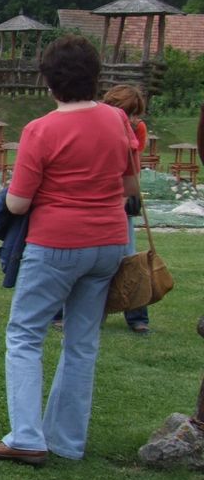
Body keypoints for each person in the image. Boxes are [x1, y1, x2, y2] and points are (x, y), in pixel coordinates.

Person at [0, 36, 139, 466]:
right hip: (109, 241)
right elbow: (129, 186)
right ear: (95, 77)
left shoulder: (42, 130)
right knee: (82, 342)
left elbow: (18, 203)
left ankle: (26, 437)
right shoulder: (118, 120)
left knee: (25, 335)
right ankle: (67, 441)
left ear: (48, 81)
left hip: (56, 243)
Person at [101, 84, 150, 334]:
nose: (131, 118)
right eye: (128, 112)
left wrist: (124, 199)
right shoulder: (98, 127)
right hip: (99, 198)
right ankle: (68, 313)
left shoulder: (137, 128)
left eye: (135, 113)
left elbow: (131, 166)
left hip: (122, 196)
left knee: (129, 258)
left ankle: (137, 316)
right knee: (93, 258)